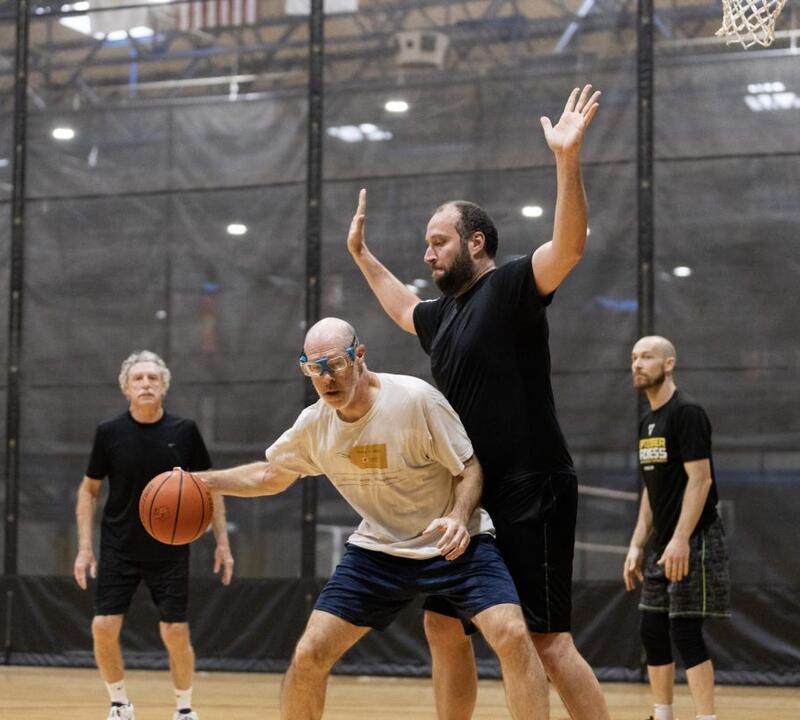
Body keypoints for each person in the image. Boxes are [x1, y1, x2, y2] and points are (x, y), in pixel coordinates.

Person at [346, 85, 610, 720]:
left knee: (547, 643)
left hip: (533, 485)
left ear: (477, 242)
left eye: (439, 241)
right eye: (426, 243)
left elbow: (570, 247)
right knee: (442, 625)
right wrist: (361, 255)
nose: (428, 253)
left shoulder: (513, 284)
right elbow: (402, 307)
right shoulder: (441, 316)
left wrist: (566, 159)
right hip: (470, 496)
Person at [199, 317, 550, 720]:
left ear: (359, 355)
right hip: (378, 552)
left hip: (451, 542)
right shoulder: (315, 424)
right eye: (314, 368)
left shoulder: (416, 400)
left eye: (334, 364)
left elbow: (468, 467)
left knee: (512, 634)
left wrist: (458, 516)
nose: (326, 378)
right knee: (309, 653)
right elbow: (269, 475)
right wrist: (201, 481)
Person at [74, 350, 235, 720]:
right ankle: (120, 705)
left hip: (170, 547)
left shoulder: (184, 431)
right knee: (103, 626)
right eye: (138, 379)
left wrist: (222, 542)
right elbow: (88, 490)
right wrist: (84, 548)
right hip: (119, 546)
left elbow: (211, 487)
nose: (146, 384)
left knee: (175, 632)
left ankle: (184, 710)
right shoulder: (109, 433)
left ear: (164, 387)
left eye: (153, 379)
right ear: (126, 389)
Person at [625, 336, 730, 720]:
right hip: (663, 544)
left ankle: (706, 717)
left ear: (669, 364)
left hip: (695, 539)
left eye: (647, 357)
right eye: (634, 357)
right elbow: (651, 489)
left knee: (684, 630)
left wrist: (682, 539)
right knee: (652, 630)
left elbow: (700, 480)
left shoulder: (687, 413)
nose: (638, 364)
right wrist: (637, 544)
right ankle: (663, 713)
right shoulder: (647, 421)